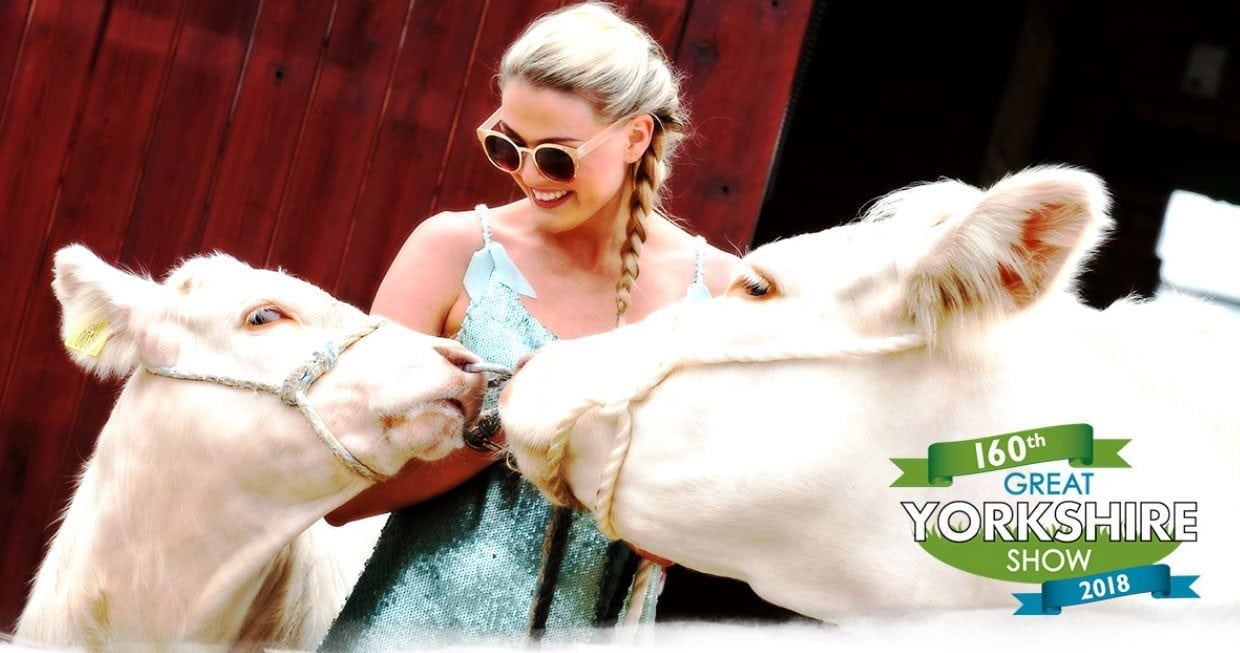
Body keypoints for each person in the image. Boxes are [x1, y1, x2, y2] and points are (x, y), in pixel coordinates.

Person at [318, 3, 739, 649]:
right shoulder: (452, 250)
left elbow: (705, 533)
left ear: (635, 137)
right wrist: (501, 427)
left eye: (557, 157)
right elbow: (340, 493)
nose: (527, 174)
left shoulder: (718, 294)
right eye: (505, 144)